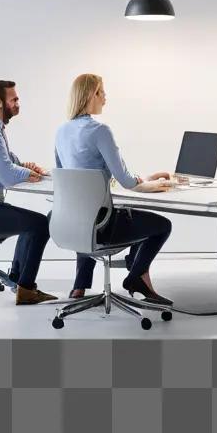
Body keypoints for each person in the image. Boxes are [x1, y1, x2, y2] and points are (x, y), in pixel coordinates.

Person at [54, 73, 174, 306]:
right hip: (102, 227)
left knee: (87, 208)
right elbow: (127, 182)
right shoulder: (100, 131)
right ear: (90, 95)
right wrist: (156, 185)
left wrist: (145, 178)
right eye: (101, 91)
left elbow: (70, 179)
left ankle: (80, 285)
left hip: (69, 222)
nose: (105, 97)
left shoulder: (61, 131)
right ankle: (136, 277)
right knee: (161, 226)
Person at [0, 80, 57, 305]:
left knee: (32, 222)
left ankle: (17, 279)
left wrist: (26, 166)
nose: (17, 104)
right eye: (13, 100)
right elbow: (6, 175)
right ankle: (26, 290)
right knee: (40, 224)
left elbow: (9, 161)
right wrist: (25, 174)